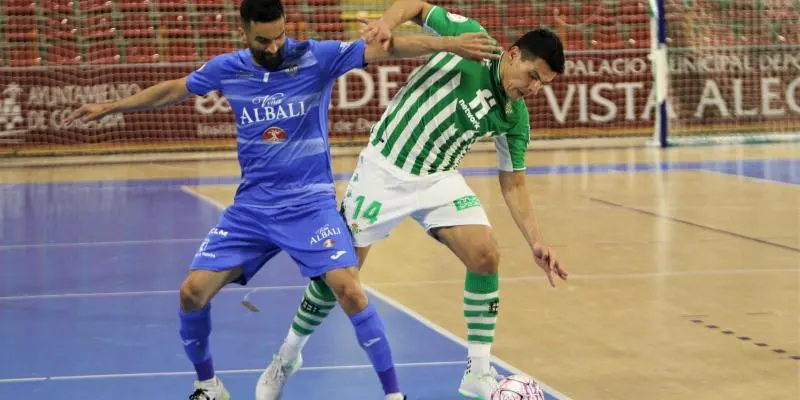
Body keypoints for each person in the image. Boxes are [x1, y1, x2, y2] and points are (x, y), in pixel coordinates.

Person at [64, 0, 501, 399]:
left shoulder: (315, 56)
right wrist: (110, 107)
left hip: (310, 204)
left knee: (350, 290)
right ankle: (208, 386)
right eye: (263, 40)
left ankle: (393, 395)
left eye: (279, 36)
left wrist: (449, 45)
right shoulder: (227, 68)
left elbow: (388, 49)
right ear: (243, 32)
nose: (274, 47)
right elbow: (175, 89)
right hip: (253, 207)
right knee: (191, 293)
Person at [262, 1, 569, 399]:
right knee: (338, 274)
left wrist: (536, 241)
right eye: (531, 76)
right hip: (385, 169)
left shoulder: (515, 116)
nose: (533, 88)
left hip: (438, 177)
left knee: (485, 254)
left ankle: (477, 370)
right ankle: (288, 353)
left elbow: (514, 183)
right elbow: (419, 6)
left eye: (542, 84)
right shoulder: (473, 38)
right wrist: (388, 25)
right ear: (512, 54)